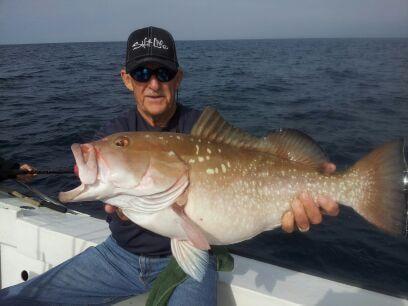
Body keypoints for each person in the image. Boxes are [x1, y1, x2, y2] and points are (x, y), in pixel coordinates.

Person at [0, 26, 339, 305]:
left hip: (190, 261)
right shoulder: (110, 132)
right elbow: (111, 199)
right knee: (17, 299)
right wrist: (117, 207)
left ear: (178, 78)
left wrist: (298, 197)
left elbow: (234, 201)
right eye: (142, 72)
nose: (153, 83)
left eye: (163, 73)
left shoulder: (202, 130)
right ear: (126, 79)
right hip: (118, 256)